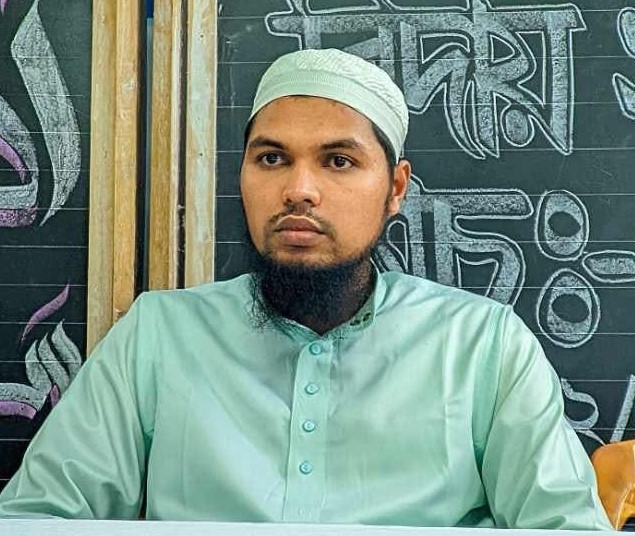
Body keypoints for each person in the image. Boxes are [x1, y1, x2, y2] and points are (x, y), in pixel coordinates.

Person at [0, 48, 612, 529]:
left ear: (396, 189)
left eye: (338, 161)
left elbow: (564, 527)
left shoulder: (482, 346)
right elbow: (36, 519)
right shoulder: (159, 335)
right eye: (272, 159)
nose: (299, 190)